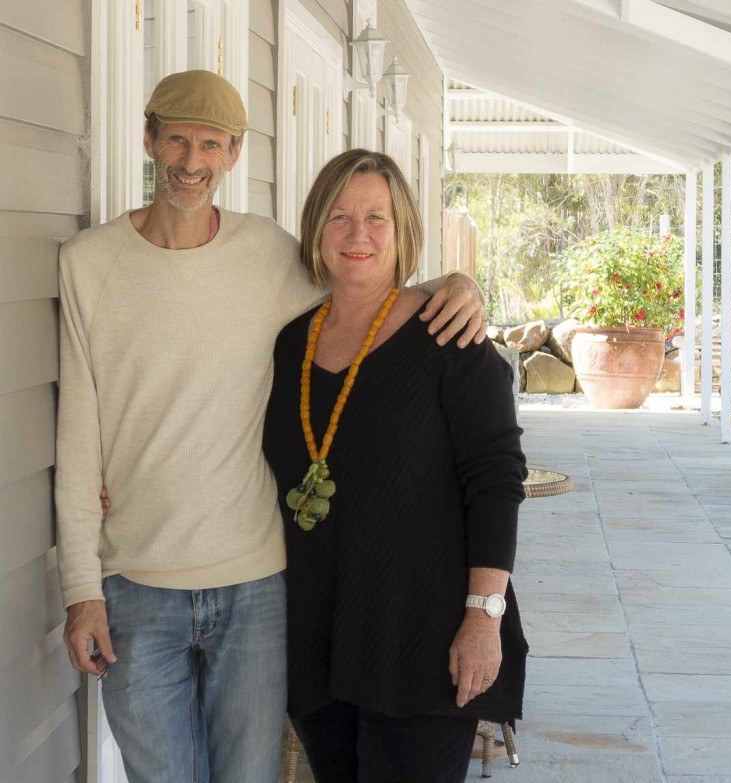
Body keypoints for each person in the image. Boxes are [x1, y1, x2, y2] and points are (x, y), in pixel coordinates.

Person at [56, 70, 488, 783]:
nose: (191, 162)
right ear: (148, 139)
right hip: (134, 581)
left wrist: (455, 285)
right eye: (177, 140)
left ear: (233, 155)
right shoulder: (89, 264)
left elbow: (366, 283)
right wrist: (82, 592)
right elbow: (76, 444)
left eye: (211, 145)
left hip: (257, 584)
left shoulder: (269, 254)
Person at [262, 149, 528, 782]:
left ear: (404, 229)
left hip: (423, 635)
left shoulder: (451, 337)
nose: (358, 235)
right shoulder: (290, 340)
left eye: (377, 217)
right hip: (318, 636)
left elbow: (495, 480)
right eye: (340, 216)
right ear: (314, 228)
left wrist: (482, 619)